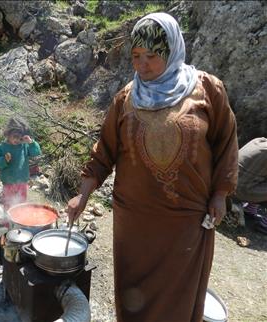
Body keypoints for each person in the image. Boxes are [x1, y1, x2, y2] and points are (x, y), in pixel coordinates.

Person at [66, 12, 238, 322]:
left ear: (172, 51)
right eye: (135, 56)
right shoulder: (125, 99)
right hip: (134, 226)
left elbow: (226, 143)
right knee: (134, 300)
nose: (141, 64)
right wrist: (83, 195)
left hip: (183, 223)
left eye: (151, 55)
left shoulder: (207, 90)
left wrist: (220, 194)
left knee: (178, 301)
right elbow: (103, 153)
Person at [0, 117, 41, 210]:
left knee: (21, 205)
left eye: (20, 137)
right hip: (8, 183)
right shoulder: (1, 147)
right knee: (8, 204)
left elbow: (36, 153)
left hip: (22, 182)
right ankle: (7, 222)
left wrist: (31, 142)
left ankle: (19, 222)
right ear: (8, 134)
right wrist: (4, 160)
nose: (17, 140)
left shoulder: (24, 145)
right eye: (15, 136)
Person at [234, 137, 267, 234]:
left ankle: (250, 208)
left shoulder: (260, 140)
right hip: (238, 190)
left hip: (225, 181)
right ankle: (264, 224)